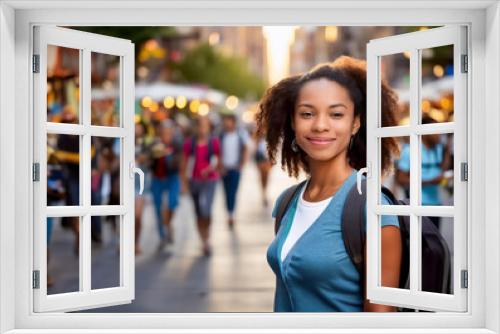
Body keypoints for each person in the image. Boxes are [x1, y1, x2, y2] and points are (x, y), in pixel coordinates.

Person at [256, 56, 402, 312]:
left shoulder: (373, 209)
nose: (320, 125)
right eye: (307, 113)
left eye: (336, 114)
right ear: (293, 121)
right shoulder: (287, 201)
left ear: (355, 123)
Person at [395, 114, 452, 229]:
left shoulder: (438, 148)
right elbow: (400, 179)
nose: (439, 135)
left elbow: (442, 169)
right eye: (436, 131)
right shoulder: (410, 150)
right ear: (425, 133)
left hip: (436, 203)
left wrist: (447, 150)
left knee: (434, 242)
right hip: (418, 204)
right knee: (419, 242)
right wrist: (430, 181)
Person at [180, 116, 221, 256]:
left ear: (209, 127)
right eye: (200, 126)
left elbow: (218, 160)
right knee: (198, 211)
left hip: (210, 180)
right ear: (196, 128)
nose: (203, 129)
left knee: (206, 209)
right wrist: (184, 183)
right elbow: (184, 163)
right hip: (194, 181)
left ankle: (207, 238)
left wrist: (210, 169)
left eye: (206, 126)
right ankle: (203, 240)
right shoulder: (189, 144)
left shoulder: (214, 142)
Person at [150, 120, 183, 252]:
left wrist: (169, 156)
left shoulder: (176, 144)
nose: (166, 136)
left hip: (172, 178)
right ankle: (163, 235)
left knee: (172, 203)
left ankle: (168, 224)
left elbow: (180, 161)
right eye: (163, 133)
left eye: (168, 133)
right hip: (157, 179)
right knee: (158, 207)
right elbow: (148, 160)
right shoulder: (154, 144)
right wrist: (154, 155)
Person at [219, 112, 250, 229]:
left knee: (233, 191)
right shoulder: (221, 135)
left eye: (228, 121)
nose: (226, 123)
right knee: (226, 192)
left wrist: (242, 164)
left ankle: (231, 214)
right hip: (224, 169)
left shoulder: (240, 134)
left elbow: (246, 148)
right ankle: (229, 212)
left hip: (235, 168)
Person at [253, 129, 272, 207]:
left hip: (267, 160)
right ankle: (264, 193)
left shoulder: (270, 136)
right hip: (261, 160)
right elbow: (255, 150)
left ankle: (265, 193)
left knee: (266, 177)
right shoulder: (257, 137)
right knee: (262, 177)